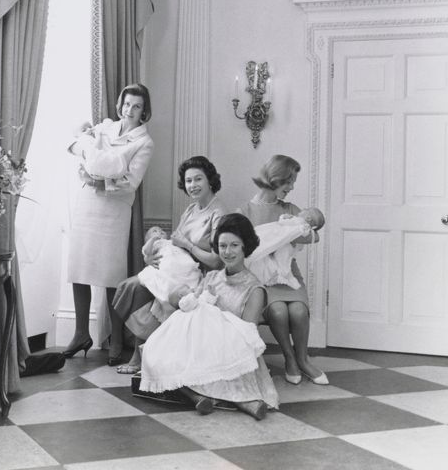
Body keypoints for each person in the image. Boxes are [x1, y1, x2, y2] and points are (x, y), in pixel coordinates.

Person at [140, 213, 279, 420]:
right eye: (223, 246)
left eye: (234, 245)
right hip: (203, 344)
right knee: (155, 353)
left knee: (192, 368)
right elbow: (191, 307)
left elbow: (247, 336)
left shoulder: (255, 289)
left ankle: (237, 400)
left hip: (234, 351)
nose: (227, 252)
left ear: (245, 247)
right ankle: (197, 396)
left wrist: (214, 319)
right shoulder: (212, 277)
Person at [64, 84, 154, 363]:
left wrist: (99, 179)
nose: (129, 110)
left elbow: (130, 183)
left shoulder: (144, 143)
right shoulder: (105, 128)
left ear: (144, 111)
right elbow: (78, 149)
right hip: (87, 205)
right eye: (126, 104)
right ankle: (81, 333)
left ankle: (116, 338)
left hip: (114, 211)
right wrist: (88, 166)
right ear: (120, 105)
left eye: (136, 106)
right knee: (79, 270)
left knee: (111, 277)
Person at [112, 155, 227, 373]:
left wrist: (189, 247)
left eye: (198, 179)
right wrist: (150, 258)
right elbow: (174, 244)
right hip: (177, 269)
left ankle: (141, 356)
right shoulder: (191, 209)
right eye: (188, 181)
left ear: (210, 180)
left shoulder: (218, 213)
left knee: (140, 289)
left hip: (200, 277)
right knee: (130, 286)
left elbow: (217, 261)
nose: (192, 185)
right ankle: (143, 353)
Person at [240, 155, 328, 386]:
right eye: (288, 182)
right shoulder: (246, 210)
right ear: (274, 179)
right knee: (278, 312)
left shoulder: (290, 209)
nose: (291, 188)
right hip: (263, 277)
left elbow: (314, 235)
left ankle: (303, 359)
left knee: (298, 312)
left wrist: (289, 231)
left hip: (288, 274)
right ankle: (289, 358)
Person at [247, 207, 325, 291]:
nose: (301, 210)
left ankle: (275, 273)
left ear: (308, 218)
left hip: (282, 240)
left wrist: (284, 217)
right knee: (282, 259)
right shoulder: (304, 229)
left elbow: (283, 223)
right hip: (286, 245)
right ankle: (277, 272)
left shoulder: (299, 222)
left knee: (266, 247)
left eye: (305, 210)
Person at [136, 225, 202, 322]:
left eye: (161, 230)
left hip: (182, 259)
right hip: (168, 260)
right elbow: (146, 251)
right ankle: (180, 296)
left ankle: (191, 291)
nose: (159, 231)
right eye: (154, 231)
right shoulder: (156, 244)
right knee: (169, 269)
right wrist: (153, 240)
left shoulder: (171, 242)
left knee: (189, 267)